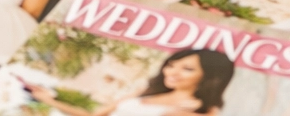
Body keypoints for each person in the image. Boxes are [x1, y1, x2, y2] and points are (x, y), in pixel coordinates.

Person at [27, 49, 234, 116]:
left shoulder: (202, 110)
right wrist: (48, 100)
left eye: (187, 69)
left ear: (210, 77)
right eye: (171, 65)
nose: (172, 72)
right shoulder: (146, 92)